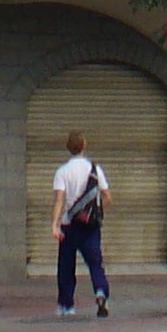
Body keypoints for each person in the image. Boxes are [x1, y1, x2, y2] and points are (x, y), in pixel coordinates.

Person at [49, 128, 110, 319]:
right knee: (95, 263)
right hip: (90, 227)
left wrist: (54, 224)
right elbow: (107, 197)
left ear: (69, 148)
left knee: (66, 266)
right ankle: (100, 292)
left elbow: (59, 200)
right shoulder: (95, 170)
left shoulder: (62, 172)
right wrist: (95, 214)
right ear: (84, 146)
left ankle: (66, 305)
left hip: (69, 225)